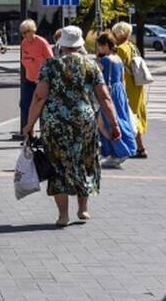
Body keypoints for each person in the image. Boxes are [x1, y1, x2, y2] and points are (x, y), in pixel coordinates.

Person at [22, 25, 122, 227]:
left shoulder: (50, 66)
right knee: (84, 161)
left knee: (58, 166)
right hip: (83, 121)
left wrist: (29, 124)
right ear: (80, 45)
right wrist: (114, 124)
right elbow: (104, 97)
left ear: (61, 45)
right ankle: (83, 208)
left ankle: (63, 215)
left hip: (55, 123)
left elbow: (39, 97)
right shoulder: (91, 66)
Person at [95, 31, 138, 167]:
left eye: (100, 46)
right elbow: (122, 79)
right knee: (119, 120)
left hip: (109, 93)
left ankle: (117, 151)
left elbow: (96, 75)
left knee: (104, 122)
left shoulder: (106, 60)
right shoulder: (118, 59)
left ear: (105, 45)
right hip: (119, 93)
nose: (99, 49)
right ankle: (113, 151)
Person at [111, 21, 148, 158]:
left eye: (115, 33)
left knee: (128, 115)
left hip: (127, 86)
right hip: (136, 85)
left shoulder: (121, 49)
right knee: (134, 114)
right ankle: (140, 147)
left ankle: (135, 147)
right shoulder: (132, 47)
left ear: (119, 34)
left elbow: (117, 69)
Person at [14, 19, 53, 141]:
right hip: (30, 79)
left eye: (27, 32)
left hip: (42, 80)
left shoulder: (42, 42)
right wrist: (33, 61)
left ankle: (44, 135)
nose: (25, 35)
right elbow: (24, 59)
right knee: (24, 105)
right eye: (23, 33)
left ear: (33, 31)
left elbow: (51, 61)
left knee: (42, 106)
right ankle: (29, 134)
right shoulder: (24, 43)